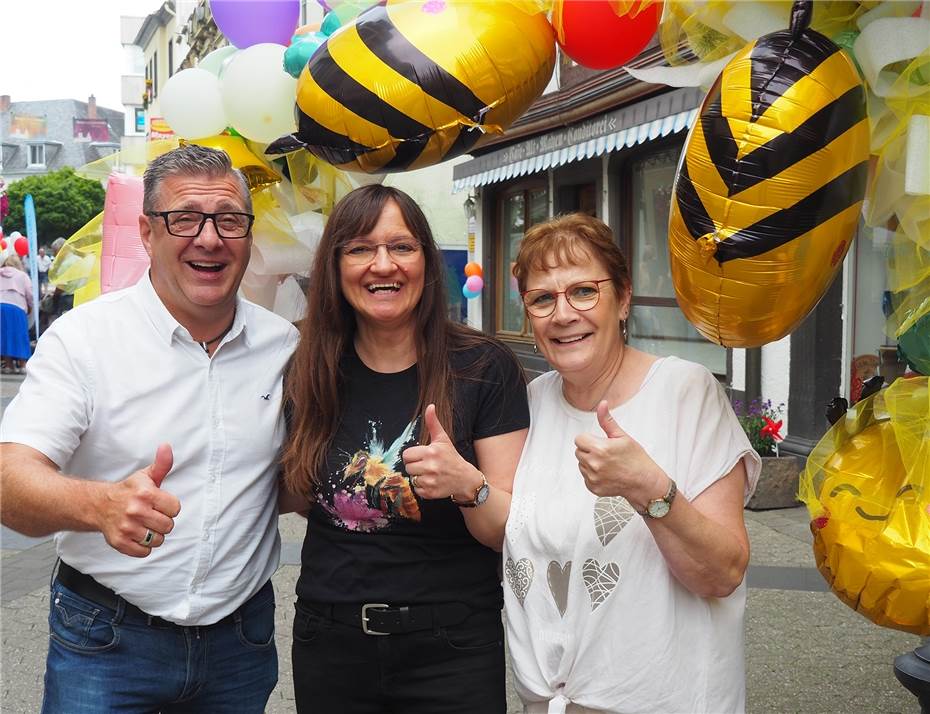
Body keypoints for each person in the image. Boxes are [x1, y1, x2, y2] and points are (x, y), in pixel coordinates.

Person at [0, 144, 298, 713]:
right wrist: (101, 505)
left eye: (229, 220)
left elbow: (289, 483)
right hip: (106, 641)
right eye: (184, 218)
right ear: (146, 232)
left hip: (240, 643)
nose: (209, 238)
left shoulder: (283, 347)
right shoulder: (84, 339)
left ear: (249, 235)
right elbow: (10, 480)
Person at [281, 184, 530, 714]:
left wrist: (470, 487)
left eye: (401, 246)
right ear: (335, 265)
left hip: (453, 648)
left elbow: (511, 530)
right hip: (330, 643)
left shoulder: (484, 367)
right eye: (359, 249)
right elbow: (299, 495)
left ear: (427, 262)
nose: (382, 264)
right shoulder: (303, 367)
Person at [504, 213, 761, 714]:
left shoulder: (685, 392)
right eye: (542, 298)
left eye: (583, 291)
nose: (563, 314)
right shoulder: (530, 404)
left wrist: (650, 490)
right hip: (550, 702)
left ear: (623, 299)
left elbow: (723, 572)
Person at [0, 253, 34, 374]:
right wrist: (31, 306)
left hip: (1, 306)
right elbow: (30, 294)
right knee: (20, 336)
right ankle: (23, 365)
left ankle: (8, 365)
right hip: (17, 307)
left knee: (4, 335)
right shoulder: (22, 276)